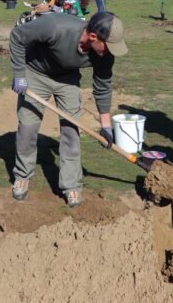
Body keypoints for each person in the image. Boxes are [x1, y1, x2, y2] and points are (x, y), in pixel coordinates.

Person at [9, 11, 128, 207]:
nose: (110, 51)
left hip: (67, 79)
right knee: (28, 128)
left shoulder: (104, 54)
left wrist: (106, 126)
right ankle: (22, 176)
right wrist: (19, 75)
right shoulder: (55, 26)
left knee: (71, 132)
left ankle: (72, 186)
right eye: (108, 46)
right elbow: (17, 36)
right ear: (93, 37)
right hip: (35, 73)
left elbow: (103, 86)